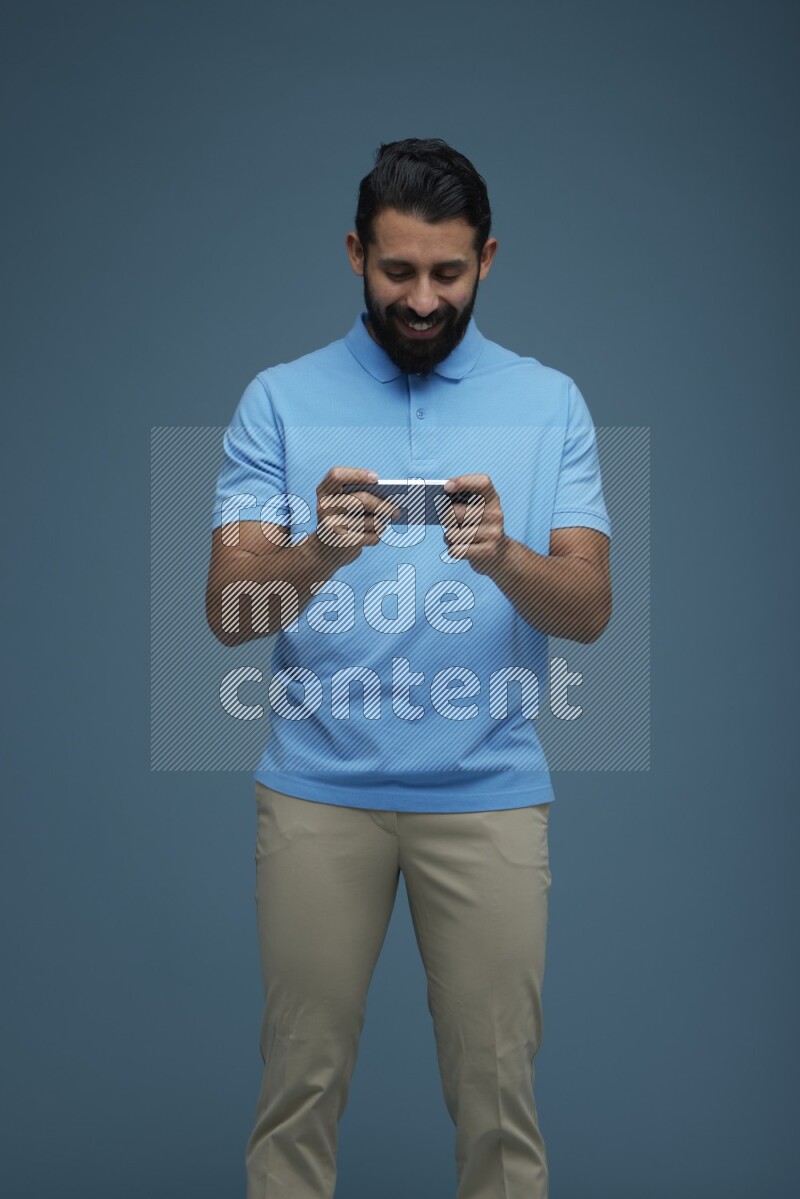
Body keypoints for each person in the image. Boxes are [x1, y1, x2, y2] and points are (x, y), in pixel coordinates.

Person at [206, 137, 612, 1199]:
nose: (422, 299)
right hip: (316, 792)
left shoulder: (549, 402)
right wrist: (320, 548)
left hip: (486, 794)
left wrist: (507, 557)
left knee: (498, 1112)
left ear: (486, 258)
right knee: (295, 1096)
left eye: (447, 272)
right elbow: (228, 611)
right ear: (354, 254)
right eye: (397, 271)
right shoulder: (277, 400)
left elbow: (589, 609)